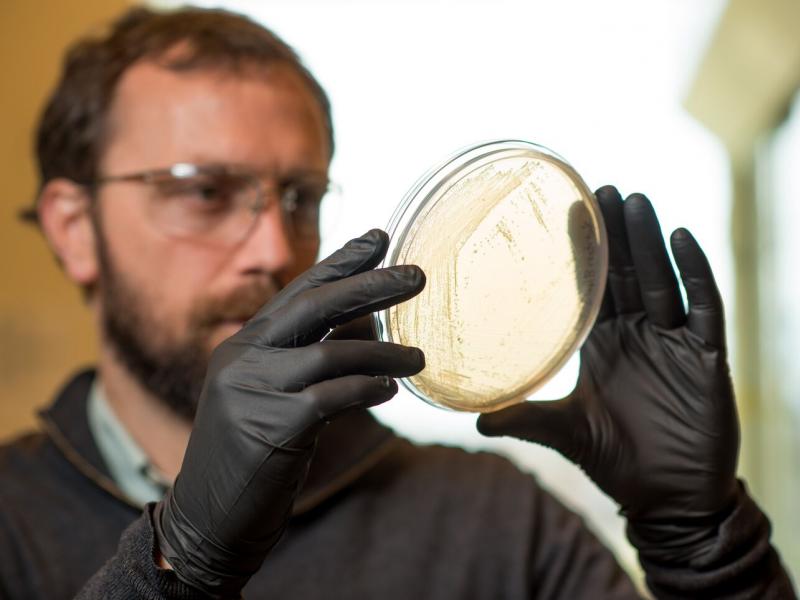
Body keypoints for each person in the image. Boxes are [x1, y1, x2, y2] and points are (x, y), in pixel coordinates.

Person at [0, 5, 795, 599]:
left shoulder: (495, 522)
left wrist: (701, 542)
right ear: (75, 228)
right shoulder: (11, 520)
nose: (276, 249)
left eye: (301, 196)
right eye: (206, 192)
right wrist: (180, 555)